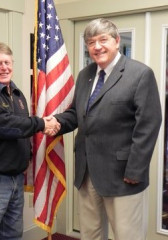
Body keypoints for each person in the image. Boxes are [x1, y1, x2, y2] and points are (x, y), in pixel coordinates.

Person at [47, 18, 162, 240]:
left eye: (103, 39)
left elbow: (148, 126)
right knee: (90, 233)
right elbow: (77, 113)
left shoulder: (139, 74)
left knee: (127, 235)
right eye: (91, 42)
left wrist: (135, 170)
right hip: (87, 171)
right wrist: (57, 122)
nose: (97, 47)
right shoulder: (85, 75)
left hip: (123, 175)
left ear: (117, 41)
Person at [0, 42, 60, 240]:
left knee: (11, 236)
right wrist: (42, 124)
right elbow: (3, 125)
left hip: (15, 179)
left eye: (7, 62)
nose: (4, 68)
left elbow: (22, 129)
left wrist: (28, 156)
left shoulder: (17, 94)